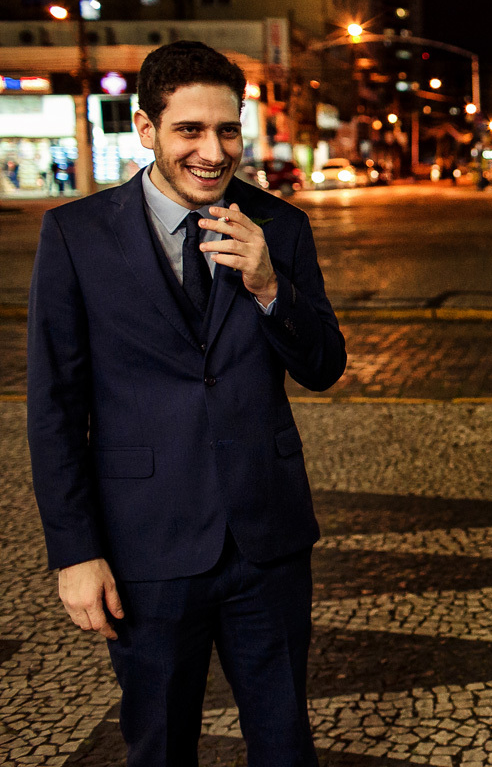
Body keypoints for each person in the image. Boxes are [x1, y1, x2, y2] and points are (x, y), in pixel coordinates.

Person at [26, 41, 346, 766]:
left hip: (267, 543)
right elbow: (53, 406)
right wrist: (76, 553)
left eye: (227, 130)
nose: (212, 150)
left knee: (284, 742)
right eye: (189, 131)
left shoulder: (281, 228)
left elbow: (324, 366)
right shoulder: (75, 236)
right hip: (147, 546)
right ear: (145, 129)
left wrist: (270, 288)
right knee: (160, 744)